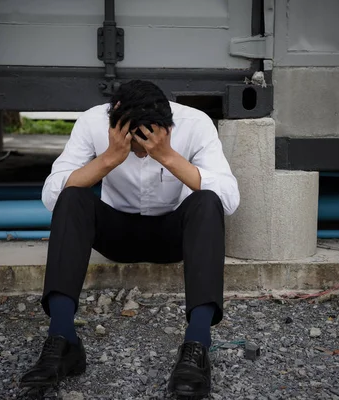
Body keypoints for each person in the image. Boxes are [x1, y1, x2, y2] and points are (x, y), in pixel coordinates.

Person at [19, 80, 240, 398]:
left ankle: (197, 344)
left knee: (207, 201)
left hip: (172, 236)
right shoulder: (93, 121)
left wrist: (166, 156)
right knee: (72, 196)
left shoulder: (195, 123)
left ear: (166, 127)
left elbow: (229, 199)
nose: (140, 153)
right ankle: (62, 337)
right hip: (116, 235)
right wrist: (109, 158)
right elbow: (51, 194)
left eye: (147, 142)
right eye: (133, 143)